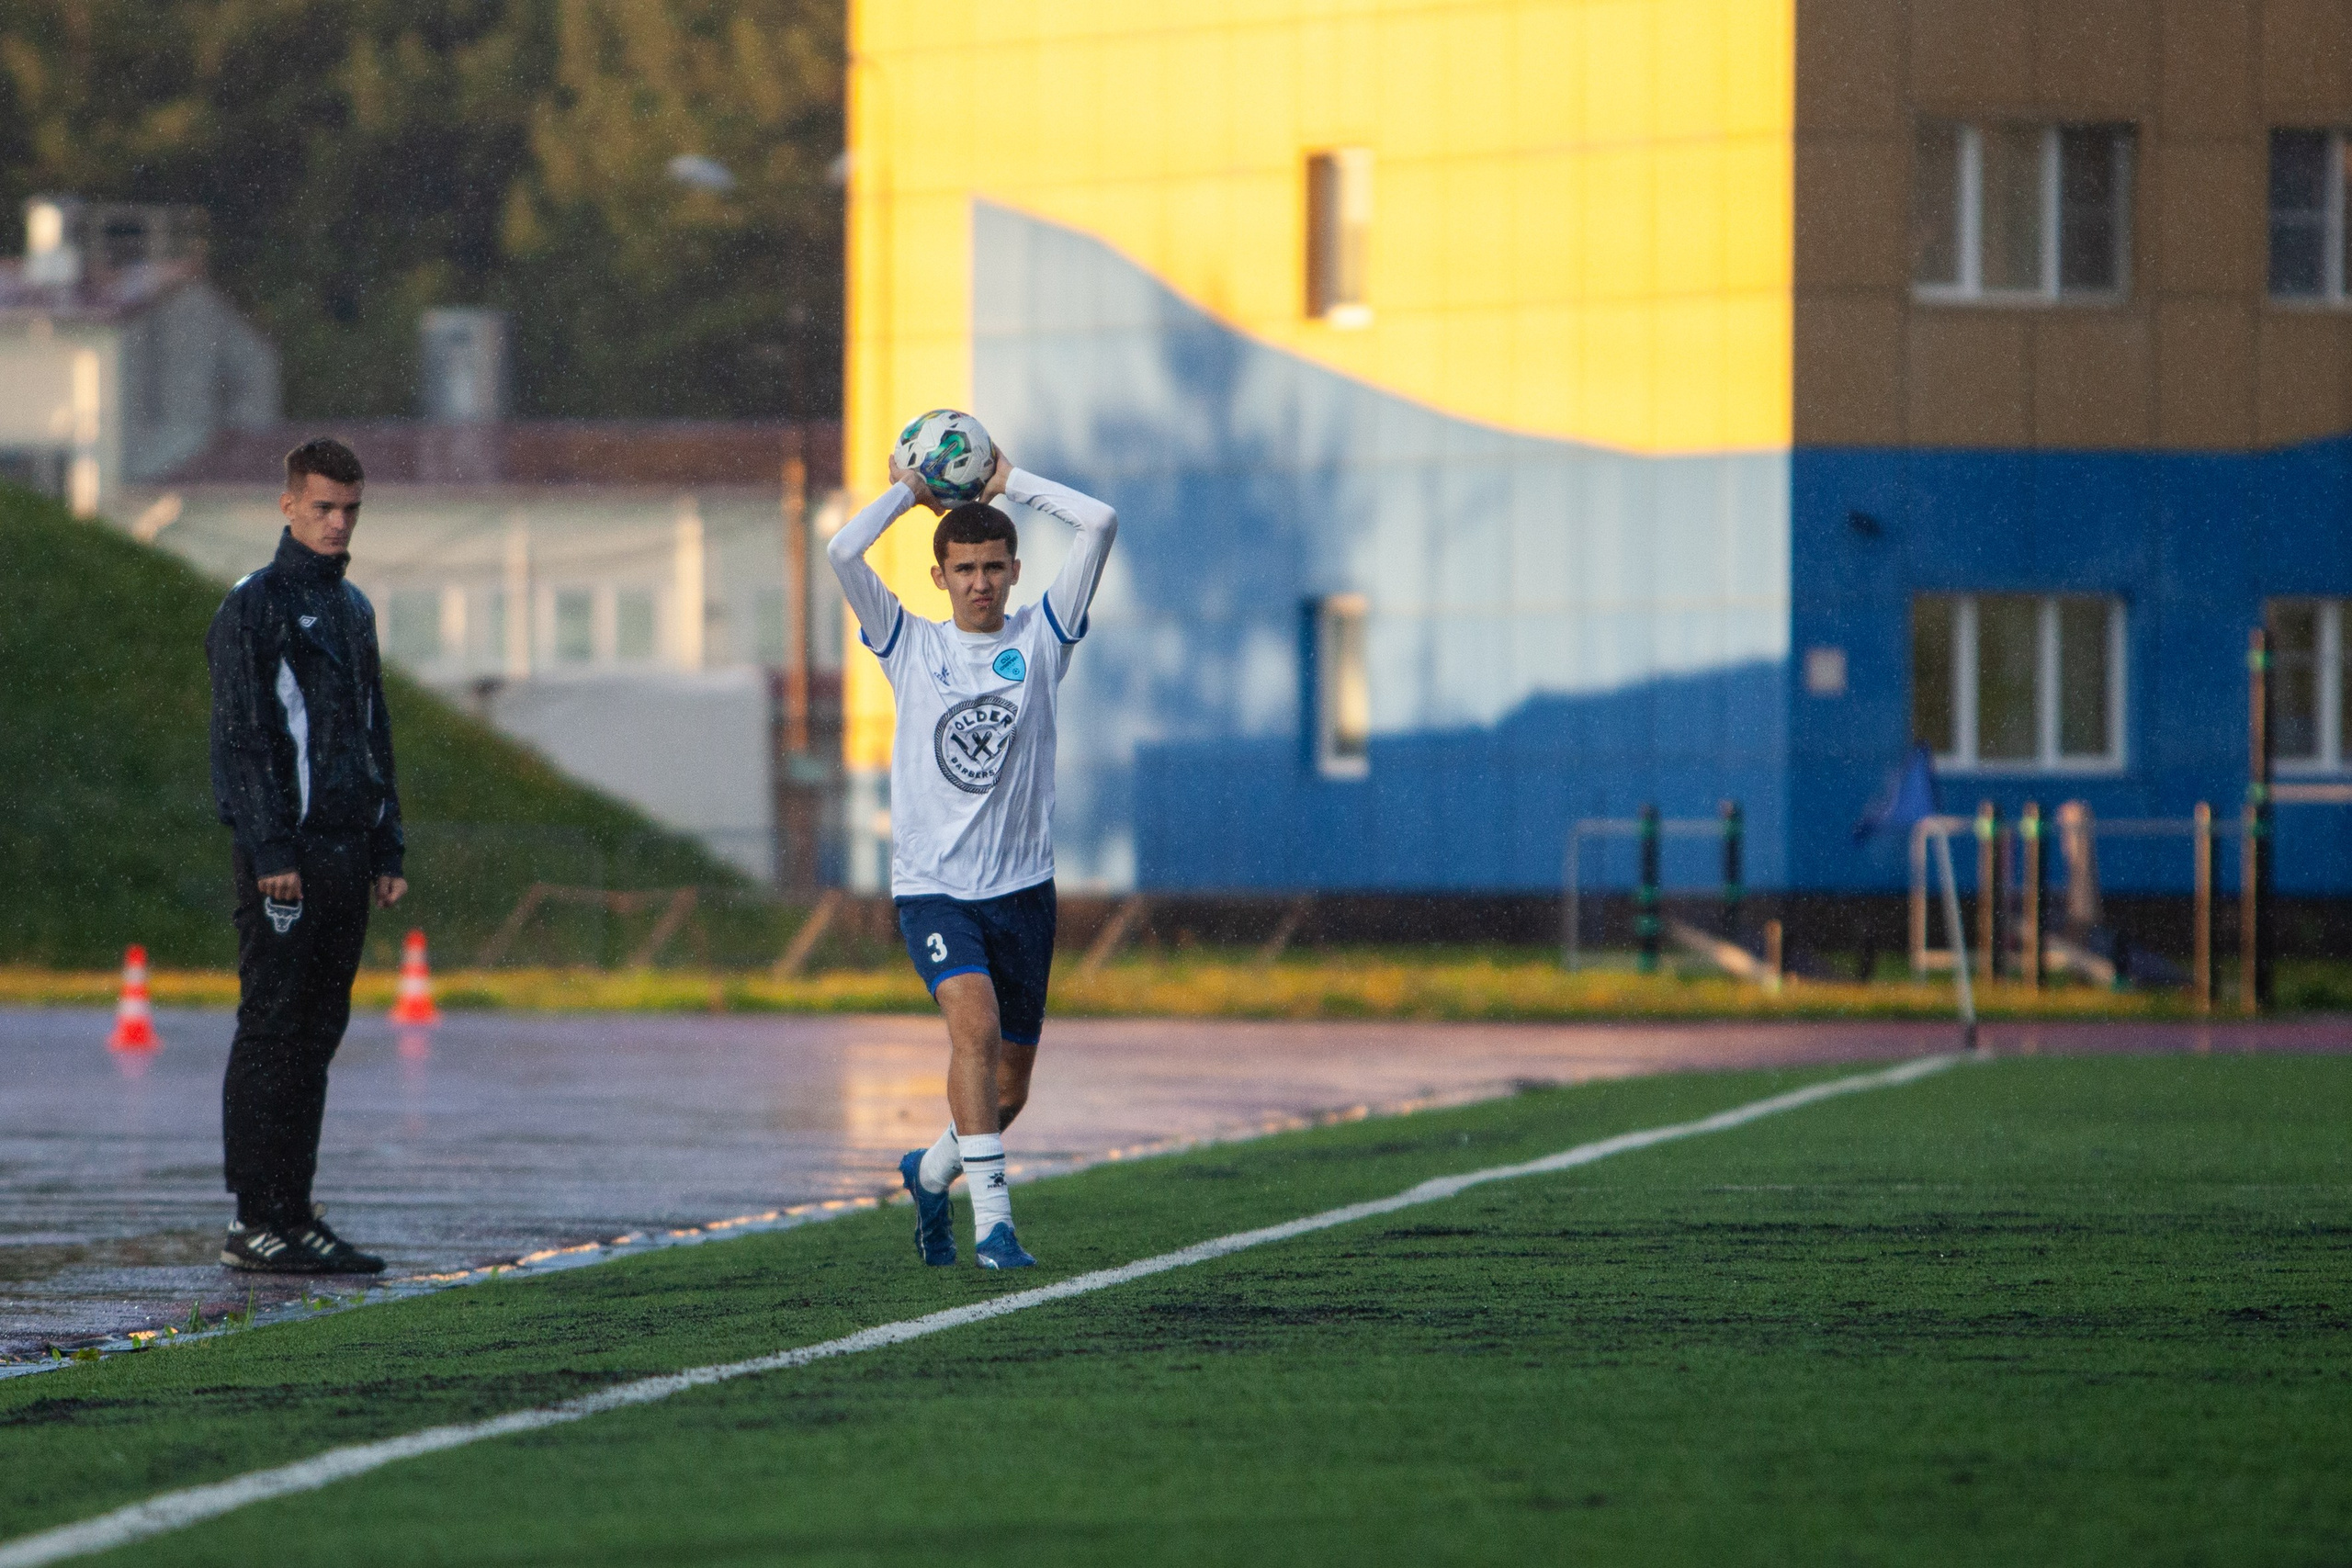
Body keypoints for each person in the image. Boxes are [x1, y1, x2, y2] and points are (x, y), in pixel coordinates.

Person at [828, 443, 1117, 1269]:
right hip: (935, 891)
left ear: (1016, 571)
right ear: (940, 577)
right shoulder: (906, 645)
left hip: (1025, 891)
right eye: (965, 568)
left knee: (1008, 1089)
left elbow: (1100, 522)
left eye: (994, 566)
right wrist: (908, 494)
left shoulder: (1046, 637)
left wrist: (1008, 482)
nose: (980, 581)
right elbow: (841, 551)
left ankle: (929, 1172)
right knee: (975, 1028)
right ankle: (995, 1227)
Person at [205, 437, 406, 1273]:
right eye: (323, 507)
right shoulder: (256, 605)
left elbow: (372, 732)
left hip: (345, 852)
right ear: (288, 505)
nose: (337, 523)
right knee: (273, 1027)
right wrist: (268, 845)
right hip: (285, 857)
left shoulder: (353, 609)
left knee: (320, 1030)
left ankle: (296, 1209)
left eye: (350, 509)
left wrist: (387, 842)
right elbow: (244, 737)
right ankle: (255, 1218)